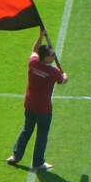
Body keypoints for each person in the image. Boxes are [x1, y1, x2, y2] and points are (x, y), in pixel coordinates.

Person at [7, 29, 68, 171]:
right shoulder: (54, 72)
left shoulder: (33, 63)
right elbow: (63, 81)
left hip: (29, 105)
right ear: (46, 58)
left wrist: (41, 36)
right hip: (44, 109)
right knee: (42, 136)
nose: (54, 57)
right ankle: (38, 162)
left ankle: (16, 156)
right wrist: (65, 75)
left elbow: (34, 50)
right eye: (52, 55)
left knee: (26, 130)